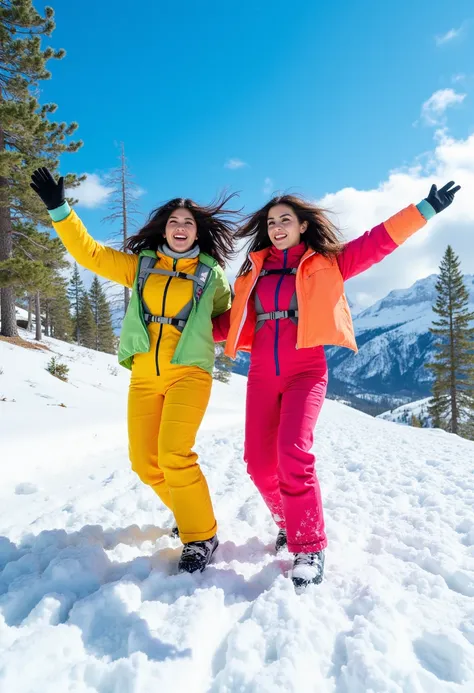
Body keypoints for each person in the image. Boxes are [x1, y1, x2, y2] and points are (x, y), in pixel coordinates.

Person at [214, 181, 460, 591]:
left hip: (306, 369)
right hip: (260, 374)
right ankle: (286, 521)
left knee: (292, 452)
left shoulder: (328, 262)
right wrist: (179, 326)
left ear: (303, 225)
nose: (277, 227)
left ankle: (308, 545)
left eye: (285, 220)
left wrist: (425, 209)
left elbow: (377, 242)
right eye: (271, 221)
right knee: (258, 464)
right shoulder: (252, 271)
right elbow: (227, 323)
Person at [31, 167, 237, 574]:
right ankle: (188, 510)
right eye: (174, 222)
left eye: (188, 223)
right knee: (145, 463)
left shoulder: (210, 274)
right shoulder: (141, 266)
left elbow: (227, 317)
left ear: (198, 232)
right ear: (163, 229)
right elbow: (89, 253)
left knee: (175, 455)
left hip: (189, 374)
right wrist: (60, 209)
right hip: (144, 375)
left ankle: (201, 536)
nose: (180, 227)